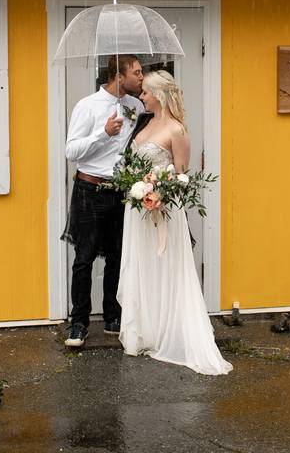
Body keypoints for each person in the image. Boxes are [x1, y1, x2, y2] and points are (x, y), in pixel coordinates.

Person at [117, 70, 233, 375]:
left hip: (165, 211)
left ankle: (172, 332)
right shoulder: (145, 123)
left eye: (145, 93)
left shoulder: (177, 130)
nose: (141, 97)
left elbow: (183, 175)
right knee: (142, 265)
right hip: (139, 210)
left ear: (159, 95)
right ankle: (147, 331)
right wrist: (138, 186)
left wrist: (161, 192)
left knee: (166, 266)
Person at [63, 54, 145, 347]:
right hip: (90, 190)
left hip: (122, 192)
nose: (141, 77)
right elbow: (71, 151)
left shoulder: (136, 106)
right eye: (136, 72)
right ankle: (79, 324)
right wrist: (103, 133)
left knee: (117, 256)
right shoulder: (87, 106)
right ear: (119, 76)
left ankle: (113, 316)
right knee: (83, 259)